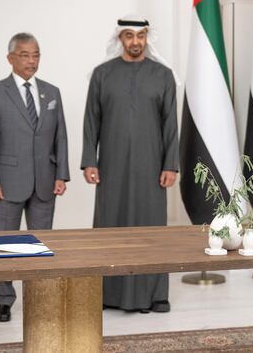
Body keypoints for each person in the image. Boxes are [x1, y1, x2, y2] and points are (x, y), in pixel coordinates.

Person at [81, 16, 179, 313]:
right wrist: (89, 161)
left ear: (147, 38)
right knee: (111, 226)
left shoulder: (163, 75)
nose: (135, 42)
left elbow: (170, 123)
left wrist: (170, 164)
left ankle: (155, 294)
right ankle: (107, 294)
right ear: (119, 39)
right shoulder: (102, 74)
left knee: (151, 228)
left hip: (152, 167)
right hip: (111, 166)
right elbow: (91, 121)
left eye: (140, 36)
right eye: (128, 35)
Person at [0, 32, 69, 322]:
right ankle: (3, 300)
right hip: (7, 183)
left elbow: (61, 136)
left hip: (45, 181)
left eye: (36, 55)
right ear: (10, 58)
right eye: (25, 55)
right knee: (4, 243)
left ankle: (40, 297)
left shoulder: (51, 92)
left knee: (41, 244)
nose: (32, 61)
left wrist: (62, 174)